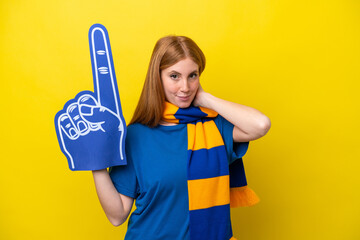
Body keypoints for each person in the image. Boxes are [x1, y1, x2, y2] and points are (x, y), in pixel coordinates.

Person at [92, 35, 271, 240]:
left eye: (192, 75)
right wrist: (95, 162)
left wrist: (205, 99)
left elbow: (260, 125)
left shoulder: (213, 126)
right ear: (157, 78)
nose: (185, 87)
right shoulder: (135, 136)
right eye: (174, 76)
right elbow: (117, 215)